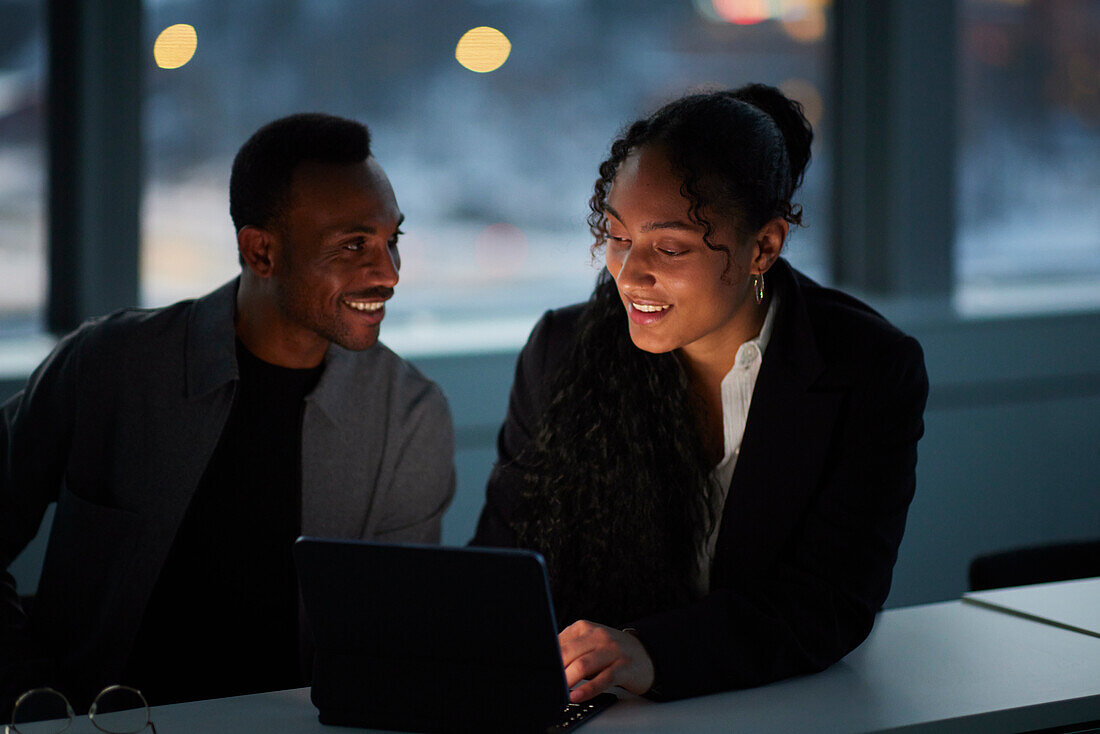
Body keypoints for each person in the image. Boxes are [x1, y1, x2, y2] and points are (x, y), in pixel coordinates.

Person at [472, 85, 929, 702]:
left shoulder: (866, 367)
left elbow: (831, 601)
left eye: (670, 247)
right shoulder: (562, 349)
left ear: (763, 247)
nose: (629, 275)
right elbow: (506, 572)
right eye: (617, 236)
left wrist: (652, 652)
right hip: (593, 710)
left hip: (783, 710)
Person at [0, 113, 455, 710]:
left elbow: (394, 646)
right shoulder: (107, 367)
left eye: (391, 239)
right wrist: (26, 688)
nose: (390, 273)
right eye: (353, 245)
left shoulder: (410, 415)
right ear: (260, 251)